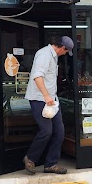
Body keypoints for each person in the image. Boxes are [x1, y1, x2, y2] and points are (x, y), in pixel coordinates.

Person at [23, 36, 74, 175]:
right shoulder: (44, 55)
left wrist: (51, 97)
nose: (65, 54)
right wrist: (46, 95)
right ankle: (30, 158)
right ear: (62, 48)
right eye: (66, 51)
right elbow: (37, 77)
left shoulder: (54, 56)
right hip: (40, 99)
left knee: (59, 132)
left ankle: (51, 164)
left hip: (52, 100)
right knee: (46, 131)